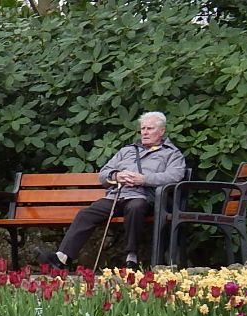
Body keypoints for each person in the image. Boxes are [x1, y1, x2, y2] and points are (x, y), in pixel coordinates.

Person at [34, 111, 186, 271]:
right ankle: (61, 258)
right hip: (116, 196)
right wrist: (117, 175)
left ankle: (131, 256)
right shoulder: (127, 151)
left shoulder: (171, 153)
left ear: (161, 131)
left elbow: (174, 176)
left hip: (143, 196)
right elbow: (104, 174)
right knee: (86, 214)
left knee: (135, 207)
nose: (145, 132)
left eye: (150, 128)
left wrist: (144, 179)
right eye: (143, 129)